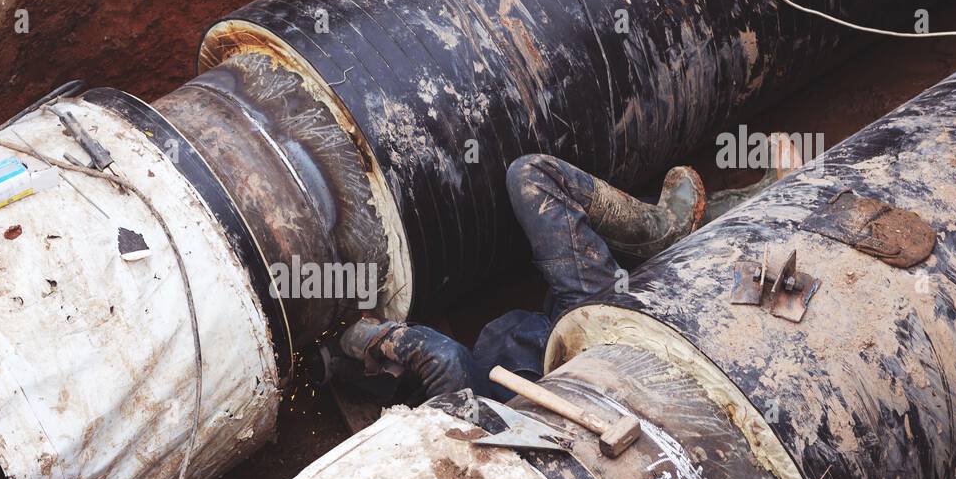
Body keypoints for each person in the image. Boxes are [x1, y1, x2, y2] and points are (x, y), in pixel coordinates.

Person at [340, 143, 797, 403]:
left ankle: (661, 232)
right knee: (531, 176)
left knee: (530, 176)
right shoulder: (462, 416)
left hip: (570, 324)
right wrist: (375, 339)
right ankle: (753, 214)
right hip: (596, 350)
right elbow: (448, 363)